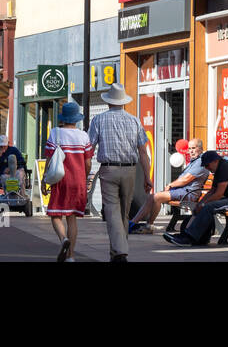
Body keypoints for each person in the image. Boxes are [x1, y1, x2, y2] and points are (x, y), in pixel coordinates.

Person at [87, 82, 152, 262]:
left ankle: (120, 250)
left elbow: (89, 149)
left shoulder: (98, 120)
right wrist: (147, 177)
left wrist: (87, 171)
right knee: (123, 212)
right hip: (131, 169)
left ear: (108, 102)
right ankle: (117, 253)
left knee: (112, 210)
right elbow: (143, 152)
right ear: (123, 102)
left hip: (108, 169)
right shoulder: (134, 120)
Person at [164, 151, 228, 247]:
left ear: (215, 161)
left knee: (209, 207)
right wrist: (200, 204)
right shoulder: (219, 168)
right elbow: (212, 191)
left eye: (207, 165)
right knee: (206, 206)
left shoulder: (225, 167)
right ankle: (194, 237)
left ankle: (189, 238)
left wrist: (203, 204)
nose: (206, 168)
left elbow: (218, 194)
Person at [43, 101, 93, 262]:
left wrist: (45, 179)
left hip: (60, 181)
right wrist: (85, 179)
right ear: (76, 119)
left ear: (63, 118)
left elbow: (49, 158)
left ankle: (63, 239)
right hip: (78, 181)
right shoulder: (84, 136)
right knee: (72, 218)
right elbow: (88, 162)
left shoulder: (55, 133)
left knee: (55, 215)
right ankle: (70, 256)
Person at [129, 136, 206, 233]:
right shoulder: (194, 161)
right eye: (189, 148)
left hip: (189, 193)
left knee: (155, 197)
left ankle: (133, 224)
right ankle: (146, 225)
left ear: (201, 148)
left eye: (193, 148)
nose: (191, 151)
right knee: (153, 198)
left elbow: (186, 179)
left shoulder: (201, 162)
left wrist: (170, 185)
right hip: (183, 190)